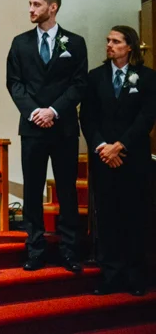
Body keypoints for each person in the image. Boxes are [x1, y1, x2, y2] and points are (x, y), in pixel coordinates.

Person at [6, 0, 87, 273]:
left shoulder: (74, 43)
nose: (30, 9)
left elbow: (79, 84)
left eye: (36, 4)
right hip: (32, 128)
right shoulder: (20, 43)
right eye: (30, 3)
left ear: (53, 8)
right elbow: (14, 83)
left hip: (63, 127)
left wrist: (53, 111)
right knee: (32, 190)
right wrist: (34, 112)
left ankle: (69, 250)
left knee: (66, 190)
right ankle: (35, 249)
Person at [80, 26, 156, 297]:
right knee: (108, 217)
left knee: (134, 216)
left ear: (130, 46)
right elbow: (87, 117)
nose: (109, 45)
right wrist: (103, 147)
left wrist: (120, 146)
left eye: (116, 41)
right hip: (104, 158)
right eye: (108, 40)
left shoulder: (147, 78)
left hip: (132, 158)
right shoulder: (95, 77)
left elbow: (146, 117)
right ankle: (111, 275)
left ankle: (136, 276)